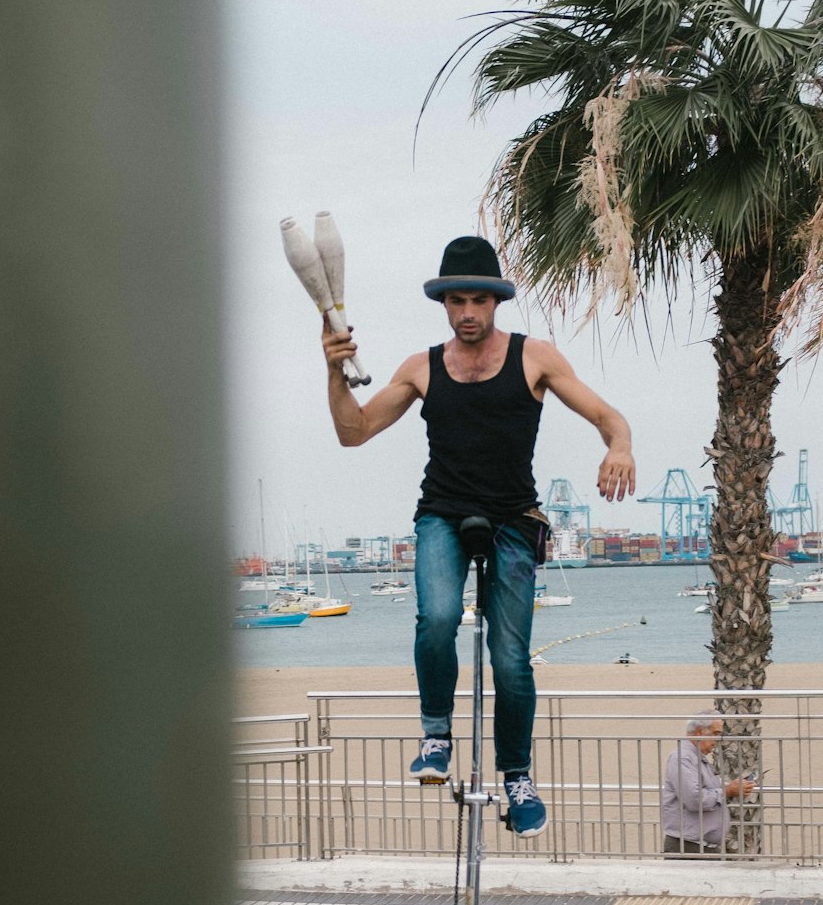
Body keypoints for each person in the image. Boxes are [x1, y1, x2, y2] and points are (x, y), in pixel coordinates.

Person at [322, 234, 635, 837]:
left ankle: (517, 775)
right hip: (442, 512)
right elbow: (353, 432)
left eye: (479, 302)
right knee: (437, 618)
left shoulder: (534, 358)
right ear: (444, 304)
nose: (468, 313)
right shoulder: (422, 368)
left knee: (511, 660)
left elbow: (606, 416)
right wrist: (334, 370)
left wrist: (619, 446)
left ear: (496, 303)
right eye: (457, 302)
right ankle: (436, 734)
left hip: (515, 518)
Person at [661, 712, 754, 856]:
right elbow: (694, 799)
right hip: (689, 848)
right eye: (716, 733)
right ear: (699, 732)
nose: (717, 740)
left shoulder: (697, 758)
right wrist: (728, 791)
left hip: (698, 846)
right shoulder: (683, 758)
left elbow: (706, 790)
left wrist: (730, 788)